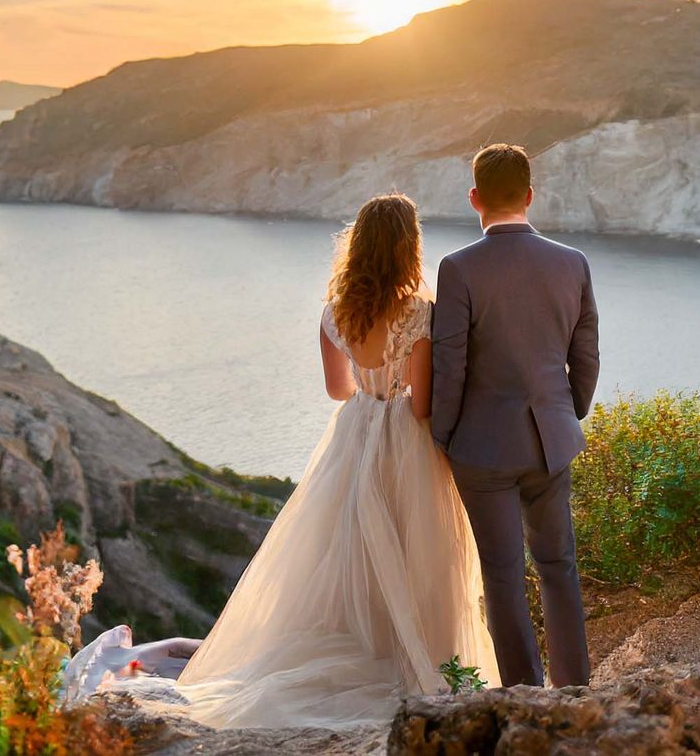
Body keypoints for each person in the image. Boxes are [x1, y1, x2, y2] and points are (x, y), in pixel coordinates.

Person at [170, 194, 497, 727]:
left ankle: (367, 651)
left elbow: (336, 390)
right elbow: (422, 404)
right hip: (405, 440)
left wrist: (371, 390)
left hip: (355, 435)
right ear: (406, 248)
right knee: (422, 557)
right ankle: (422, 664)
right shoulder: (420, 312)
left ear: (358, 247)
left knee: (351, 551)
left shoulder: (333, 311)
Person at [431, 143, 598, 689]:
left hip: (482, 448)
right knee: (559, 566)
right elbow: (586, 357)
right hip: (551, 439)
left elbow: (450, 364)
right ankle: (574, 687)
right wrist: (564, 417)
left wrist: (446, 433)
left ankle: (524, 693)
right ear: (529, 195)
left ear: (474, 197)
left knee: (502, 576)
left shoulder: (457, 268)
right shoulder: (573, 263)